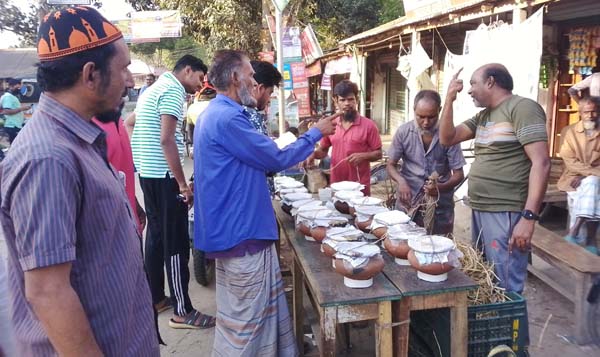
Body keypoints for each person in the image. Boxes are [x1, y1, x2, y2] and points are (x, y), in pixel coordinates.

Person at [0, 6, 159, 355]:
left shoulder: (79, 139)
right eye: (123, 69)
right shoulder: (48, 158)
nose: (130, 81)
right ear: (90, 75)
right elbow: (48, 292)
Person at [194, 50, 335, 356]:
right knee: (248, 323)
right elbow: (276, 158)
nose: (253, 81)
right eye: (250, 75)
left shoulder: (214, 114)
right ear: (235, 78)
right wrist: (315, 134)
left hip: (234, 231)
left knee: (244, 317)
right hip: (241, 232)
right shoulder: (228, 118)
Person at [439, 64, 551, 294]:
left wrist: (529, 217)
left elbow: (541, 163)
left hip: (506, 210)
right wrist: (449, 99)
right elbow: (447, 138)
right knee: (487, 278)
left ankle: (512, 330)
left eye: (473, 83)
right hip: (481, 208)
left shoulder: (522, 108)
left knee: (506, 284)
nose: (469, 91)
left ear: (490, 82)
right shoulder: (483, 116)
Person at [129, 54, 215, 328]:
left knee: (155, 237)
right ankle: (183, 310)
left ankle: (156, 297)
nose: (200, 85)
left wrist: (143, 159)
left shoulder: (151, 90)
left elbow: (130, 123)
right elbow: (166, 139)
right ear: (187, 70)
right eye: (200, 78)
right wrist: (181, 183)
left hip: (149, 175)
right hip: (165, 179)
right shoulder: (172, 91)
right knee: (176, 243)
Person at [386, 90, 466, 235]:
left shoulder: (449, 135)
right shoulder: (403, 132)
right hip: (407, 202)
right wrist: (401, 182)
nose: (426, 122)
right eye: (421, 117)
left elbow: (459, 174)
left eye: (431, 117)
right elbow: (390, 165)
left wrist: (440, 187)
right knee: (403, 243)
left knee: (439, 246)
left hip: (440, 206)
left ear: (439, 111)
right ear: (414, 111)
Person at [305, 80, 382, 195]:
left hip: (360, 187)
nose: (347, 103)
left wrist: (363, 156)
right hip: (337, 185)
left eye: (351, 99)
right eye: (342, 100)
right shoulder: (331, 124)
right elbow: (323, 151)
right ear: (336, 101)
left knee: (357, 213)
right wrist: (313, 154)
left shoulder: (369, 126)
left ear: (357, 100)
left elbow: (379, 153)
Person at [91, 98, 146, 234]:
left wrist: (134, 201)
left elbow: (119, 170)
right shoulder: (88, 128)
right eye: (120, 75)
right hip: (109, 236)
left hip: (129, 225)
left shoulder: (117, 121)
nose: (130, 82)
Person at [558, 96, 600, 254]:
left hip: (589, 178)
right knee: (594, 184)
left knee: (592, 183)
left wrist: (585, 176)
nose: (590, 115)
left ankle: (574, 231)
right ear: (580, 113)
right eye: (587, 112)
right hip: (571, 178)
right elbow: (570, 162)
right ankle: (591, 240)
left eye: (594, 112)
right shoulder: (569, 132)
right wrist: (590, 174)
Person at [1, 78, 30, 143]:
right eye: (17, 88)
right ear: (11, 86)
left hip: (16, 125)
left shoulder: (12, 97)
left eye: (20, 88)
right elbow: (7, 111)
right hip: (12, 126)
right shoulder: (8, 97)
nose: (19, 90)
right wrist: (22, 109)